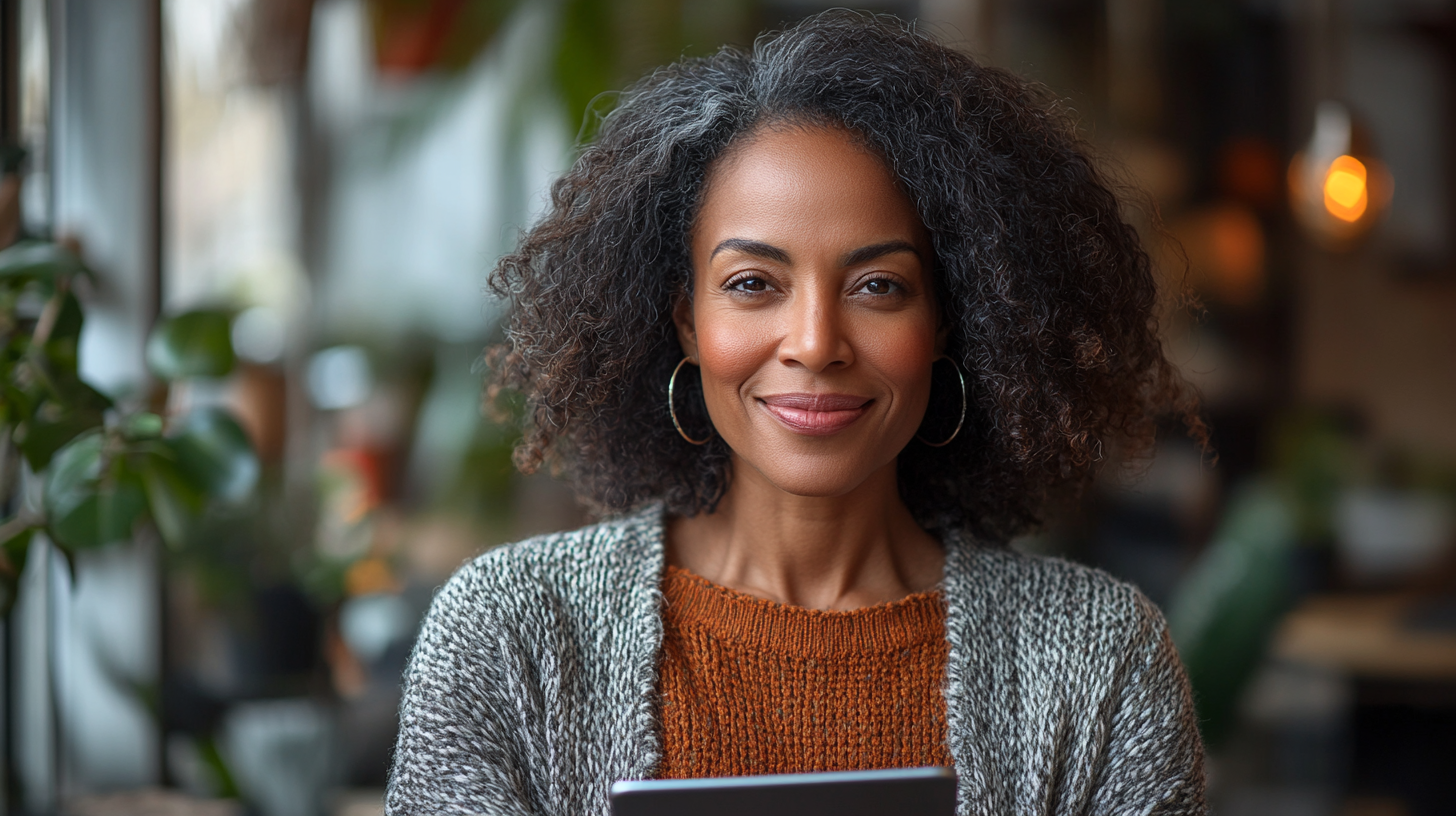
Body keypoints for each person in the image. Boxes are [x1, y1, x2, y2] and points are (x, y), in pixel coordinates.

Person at [386, 10, 1208, 816]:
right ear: (687, 321)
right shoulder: (511, 638)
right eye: (753, 284)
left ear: (948, 323)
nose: (815, 343)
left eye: (878, 286)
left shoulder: (1098, 663)